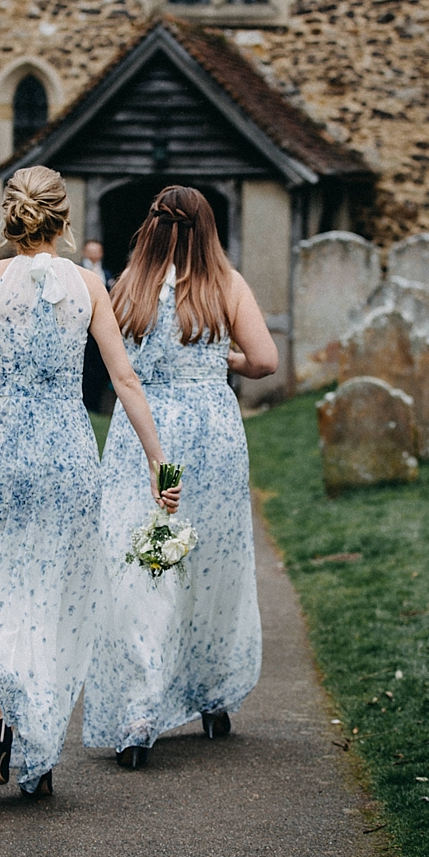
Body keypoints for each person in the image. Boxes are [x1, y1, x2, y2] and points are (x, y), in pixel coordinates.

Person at [0, 165, 179, 798]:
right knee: (57, 600)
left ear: (13, 216)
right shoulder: (89, 283)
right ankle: (39, 751)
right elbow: (126, 382)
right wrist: (160, 466)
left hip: (6, 454)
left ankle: (6, 726)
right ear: (63, 221)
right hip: (69, 459)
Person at [81, 185, 278, 769]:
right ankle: (212, 693)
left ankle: (139, 709)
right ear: (207, 229)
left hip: (146, 440)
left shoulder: (127, 287)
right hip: (210, 440)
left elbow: (113, 365)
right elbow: (265, 360)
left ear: (152, 228)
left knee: (146, 564)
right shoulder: (226, 285)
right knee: (210, 562)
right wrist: (225, 358)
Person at [80, 240, 113, 412]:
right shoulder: (76, 270)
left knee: (100, 366)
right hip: (82, 324)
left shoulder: (106, 273)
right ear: (84, 251)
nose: (94, 254)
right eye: (90, 250)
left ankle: (96, 404)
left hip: (101, 325)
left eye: (97, 250)